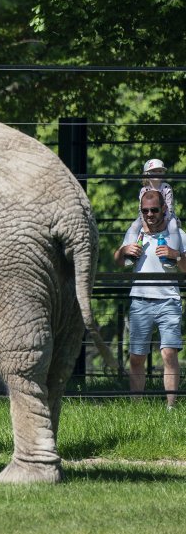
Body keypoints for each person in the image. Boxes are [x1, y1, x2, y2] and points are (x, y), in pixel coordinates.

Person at [115, 189, 184, 409]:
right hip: (140, 300)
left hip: (169, 301)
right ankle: (136, 406)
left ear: (164, 208)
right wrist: (124, 250)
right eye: (145, 210)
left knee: (169, 354)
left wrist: (177, 255)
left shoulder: (178, 234)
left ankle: (171, 408)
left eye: (154, 209)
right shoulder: (135, 233)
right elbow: (117, 262)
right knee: (136, 357)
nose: (150, 214)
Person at [124, 158, 180, 266]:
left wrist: (164, 223)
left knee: (173, 227)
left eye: (160, 171)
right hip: (146, 217)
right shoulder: (143, 190)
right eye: (154, 171)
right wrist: (144, 224)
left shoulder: (167, 188)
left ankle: (172, 256)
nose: (158, 173)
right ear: (147, 173)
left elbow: (170, 208)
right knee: (134, 226)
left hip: (167, 216)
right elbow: (141, 210)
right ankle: (131, 254)